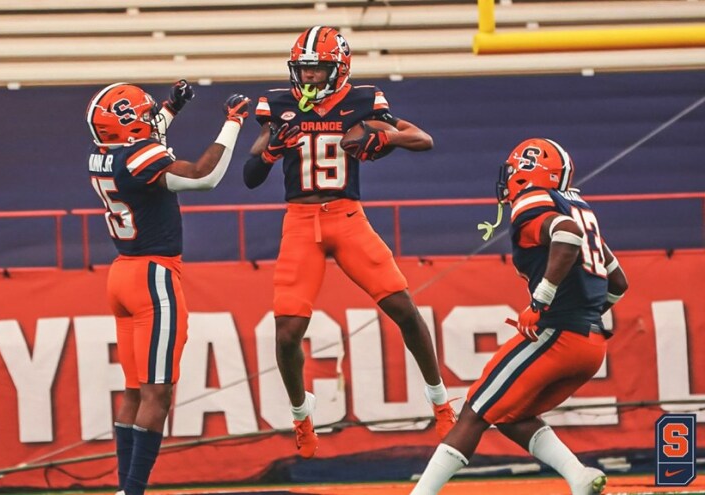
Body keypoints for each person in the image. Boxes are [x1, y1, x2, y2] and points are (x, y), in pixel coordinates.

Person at [243, 26, 456, 458]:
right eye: (303, 71)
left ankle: (440, 401)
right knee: (286, 333)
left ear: (339, 69)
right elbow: (250, 177)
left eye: (318, 70)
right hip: (300, 222)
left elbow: (423, 138)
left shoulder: (363, 102)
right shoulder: (280, 106)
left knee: (404, 309)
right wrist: (269, 152)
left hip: (347, 218)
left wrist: (386, 136)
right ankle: (302, 414)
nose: (309, 79)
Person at [410, 138, 630, 495]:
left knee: (474, 410)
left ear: (527, 173)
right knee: (509, 414)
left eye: (513, 170)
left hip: (557, 335)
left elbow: (567, 234)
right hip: (590, 344)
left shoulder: (534, 200)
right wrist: (584, 314)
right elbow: (618, 282)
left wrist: (543, 302)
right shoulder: (579, 206)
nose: (508, 177)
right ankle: (579, 476)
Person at [85, 80, 250, 495]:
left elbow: (145, 134)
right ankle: (134, 491)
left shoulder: (102, 155)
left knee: (134, 391)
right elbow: (202, 176)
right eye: (142, 116)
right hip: (153, 277)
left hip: (121, 274)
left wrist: (171, 108)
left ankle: (125, 488)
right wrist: (232, 123)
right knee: (157, 393)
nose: (149, 120)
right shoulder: (139, 157)